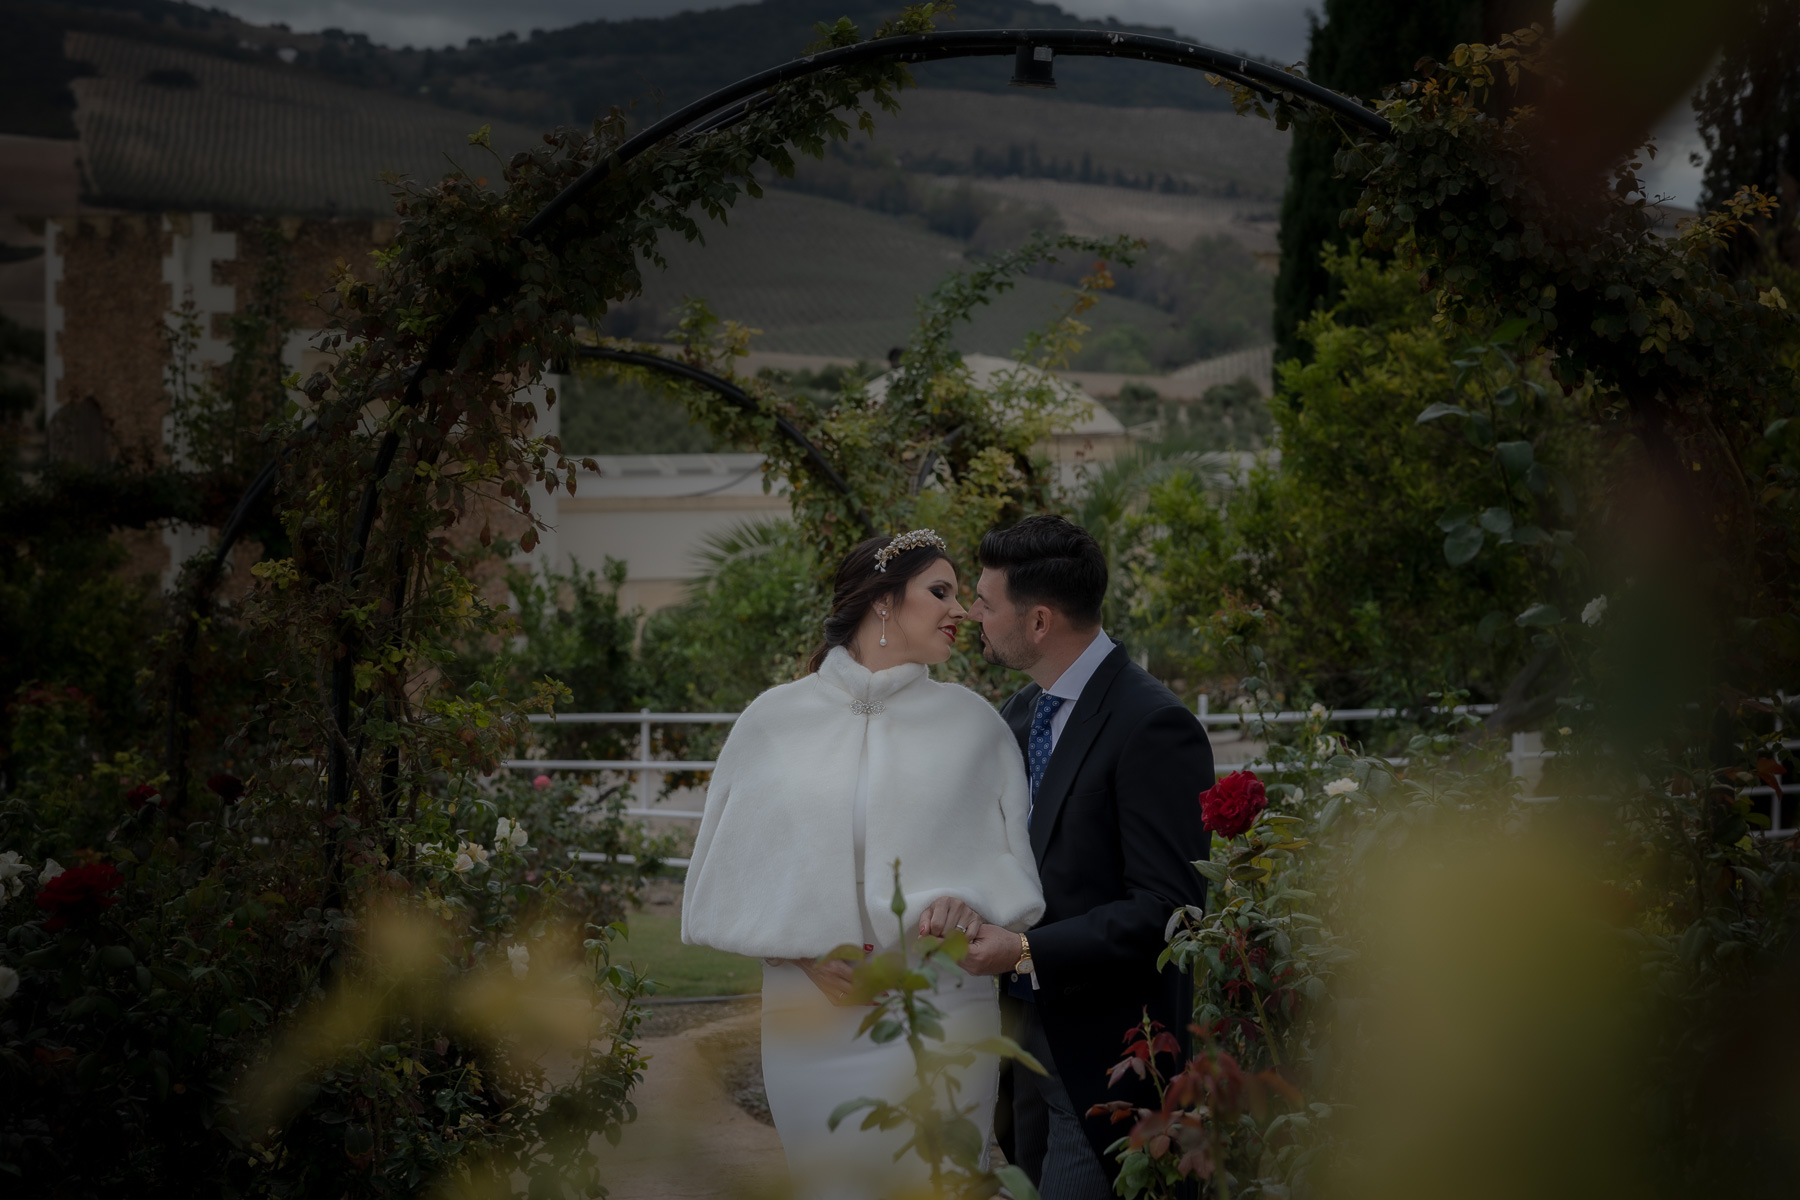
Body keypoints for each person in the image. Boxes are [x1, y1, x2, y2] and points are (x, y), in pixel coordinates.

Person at [681, 529, 1045, 1200]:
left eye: (962, 597)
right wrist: (801, 955)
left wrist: (974, 907)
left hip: (940, 1010)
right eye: (940, 592)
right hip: (808, 1019)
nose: (960, 611)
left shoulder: (976, 726)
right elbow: (736, 877)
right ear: (882, 601)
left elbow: (1009, 871)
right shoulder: (772, 721)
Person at [959, 514, 1214, 1200]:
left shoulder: (1153, 725)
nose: (973, 615)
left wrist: (1024, 949)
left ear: (1039, 621)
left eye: (986, 602)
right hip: (1019, 1051)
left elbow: (1170, 908)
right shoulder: (1018, 715)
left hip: (1107, 1057)